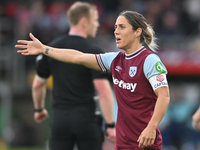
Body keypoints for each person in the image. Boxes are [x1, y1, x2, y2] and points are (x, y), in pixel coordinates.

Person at [16, 10, 170, 150]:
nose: (116, 31)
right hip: (123, 143)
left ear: (137, 32)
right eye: (115, 27)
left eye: (122, 27)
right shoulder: (114, 59)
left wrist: (152, 127)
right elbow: (78, 57)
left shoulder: (150, 60)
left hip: (145, 141)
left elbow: (164, 95)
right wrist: (44, 49)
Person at [30, 2, 116, 150]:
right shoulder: (93, 50)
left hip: (60, 119)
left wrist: (39, 109)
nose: (97, 24)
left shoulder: (50, 48)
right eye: (94, 20)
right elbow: (103, 91)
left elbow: (38, 85)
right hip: (87, 120)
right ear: (84, 22)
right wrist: (110, 125)